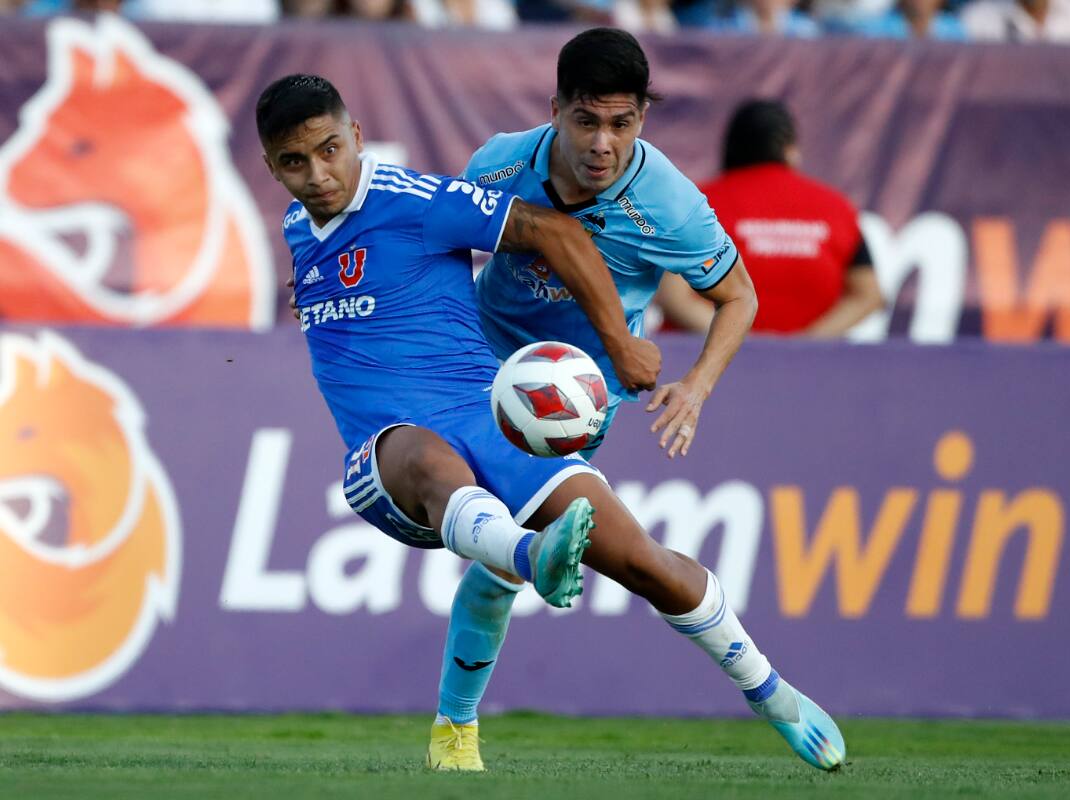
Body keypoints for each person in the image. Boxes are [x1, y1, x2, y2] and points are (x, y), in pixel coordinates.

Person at [259, 73, 844, 777]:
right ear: (272, 168)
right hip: (386, 461)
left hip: (496, 420)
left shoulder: (418, 201)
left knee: (641, 561)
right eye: (296, 162)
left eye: (330, 149)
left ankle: (772, 694)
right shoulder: (301, 227)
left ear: (356, 136)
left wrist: (622, 343)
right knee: (426, 458)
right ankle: (534, 561)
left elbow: (555, 230)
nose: (319, 174)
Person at [430, 29, 841, 774]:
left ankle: (770, 695)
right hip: (480, 370)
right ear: (555, 110)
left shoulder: (670, 204)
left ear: (643, 119)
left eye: (621, 124)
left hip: (577, 406)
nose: (602, 143)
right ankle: (453, 734)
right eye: (586, 121)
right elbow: (443, 253)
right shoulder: (498, 163)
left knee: (525, 564)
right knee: (497, 547)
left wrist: (698, 386)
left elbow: (739, 295)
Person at [657, 99, 885, 337]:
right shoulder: (837, 207)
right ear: (790, 150)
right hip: (807, 369)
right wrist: (807, 344)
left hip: (706, 365)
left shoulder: (697, 202)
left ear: (731, 147)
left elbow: (675, 298)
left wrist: (741, 342)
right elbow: (868, 294)